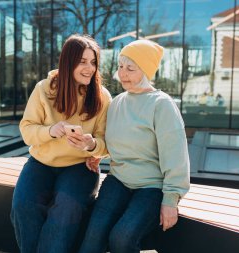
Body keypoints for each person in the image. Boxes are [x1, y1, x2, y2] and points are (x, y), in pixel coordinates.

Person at [79, 40, 190, 253]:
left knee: (121, 239)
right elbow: (114, 143)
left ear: (146, 71)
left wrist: (171, 200)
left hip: (151, 187)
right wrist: (97, 154)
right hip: (118, 180)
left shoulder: (161, 104)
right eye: (120, 67)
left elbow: (175, 155)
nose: (123, 73)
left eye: (130, 68)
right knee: (92, 239)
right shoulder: (116, 103)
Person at [11, 34, 112, 253]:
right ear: (68, 62)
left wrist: (91, 145)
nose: (89, 68)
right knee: (22, 206)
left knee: (66, 209)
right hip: (41, 163)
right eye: (82, 61)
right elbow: (27, 130)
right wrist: (50, 131)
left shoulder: (102, 97)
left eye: (93, 62)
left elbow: (108, 143)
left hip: (80, 167)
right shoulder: (43, 89)